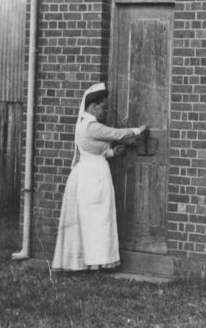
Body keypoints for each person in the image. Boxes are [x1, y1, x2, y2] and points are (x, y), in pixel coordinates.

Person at [51, 82, 146, 271]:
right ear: (93, 107)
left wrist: (113, 153)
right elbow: (115, 133)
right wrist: (138, 130)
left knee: (97, 217)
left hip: (94, 173)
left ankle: (96, 262)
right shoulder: (90, 125)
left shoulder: (88, 125)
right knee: (94, 217)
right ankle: (90, 261)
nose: (105, 111)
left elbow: (95, 151)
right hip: (91, 177)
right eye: (103, 107)